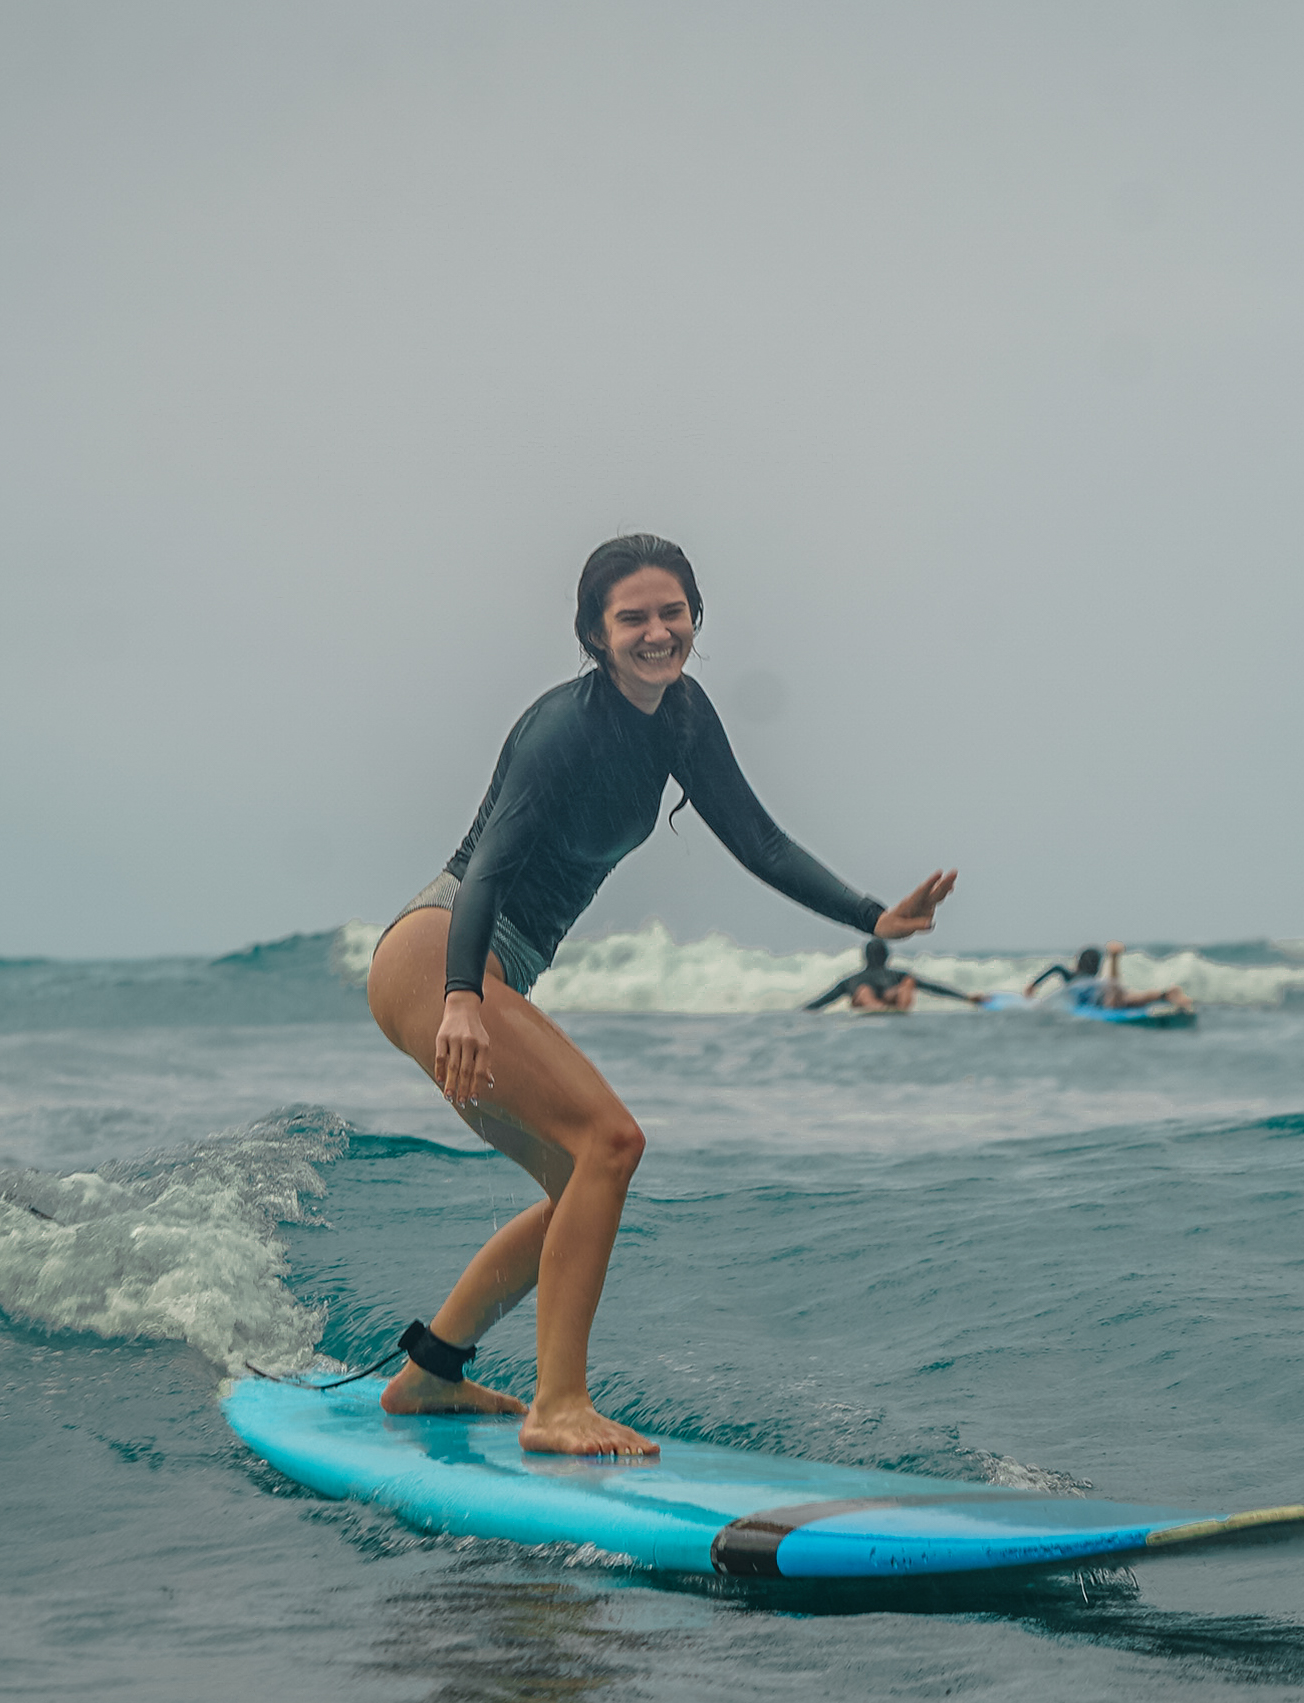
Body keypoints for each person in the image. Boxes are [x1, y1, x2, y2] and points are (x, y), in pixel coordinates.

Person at [364, 533, 958, 1457]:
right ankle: (558, 1406)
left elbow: (759, 842)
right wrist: (459, 999)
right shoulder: (562, 728)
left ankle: (431, 1371)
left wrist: (874, 918)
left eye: (671, 612)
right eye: (632, 617)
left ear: (694, 618)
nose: (656, 632)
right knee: (612, 1141)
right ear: (595, 634)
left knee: (578, 1181)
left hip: (480, 973)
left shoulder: (683, 717)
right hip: (444, 953)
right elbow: (485, 872)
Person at [801, 937, 982, 1013]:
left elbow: (823, 1001)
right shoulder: (897, 975)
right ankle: (893, 1007)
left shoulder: (852, 980)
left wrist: (800, 1012)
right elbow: (933, 988)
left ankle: (875, 1007)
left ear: (864, 956)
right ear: (887, 955)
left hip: (868, 1004)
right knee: (907, 983)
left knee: (863, 992)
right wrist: (966, 998)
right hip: (893, 1001)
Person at [1027, 942, 1190, 1012]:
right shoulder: (1096, 981)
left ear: (1078, 964)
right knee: (1129, 997)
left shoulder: (1071, 977)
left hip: (1102, 1000)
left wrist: (1033, 986)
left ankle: (1114, 958)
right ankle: (1165, 994)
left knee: (1117, 1000)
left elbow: (1056, 967)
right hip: (1105, 992)